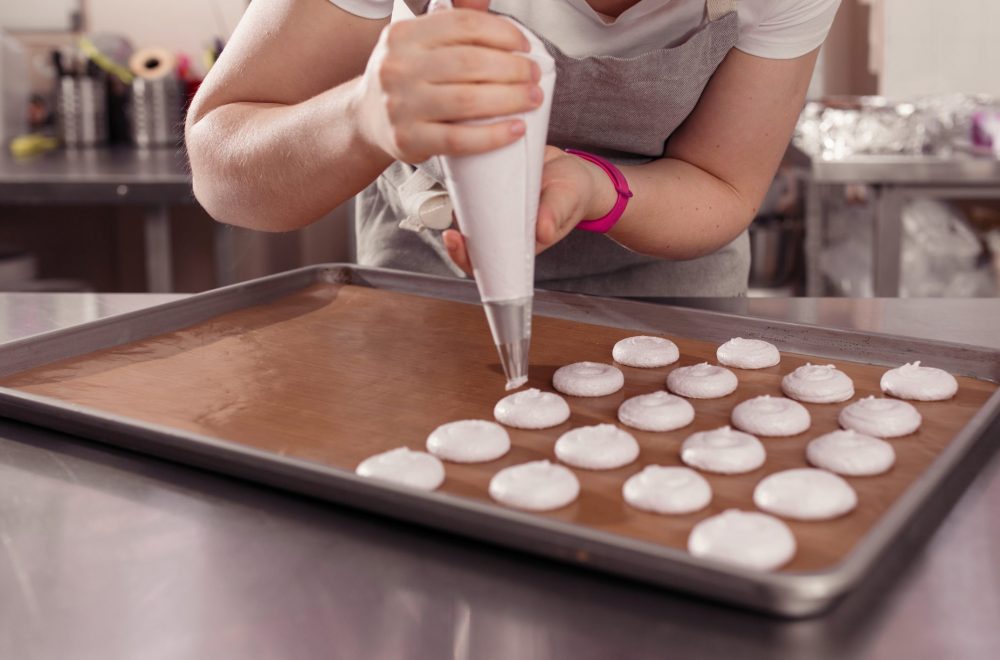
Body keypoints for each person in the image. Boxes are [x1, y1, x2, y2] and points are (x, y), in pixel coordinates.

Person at [186, 0, 840, 296]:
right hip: (425, 296)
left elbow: (721, 183)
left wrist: (594, 189)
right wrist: (358, 117)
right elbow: (222, 169)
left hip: (672, 304)